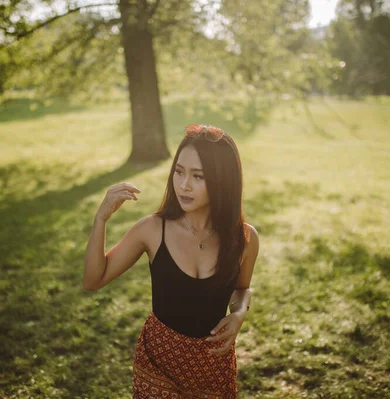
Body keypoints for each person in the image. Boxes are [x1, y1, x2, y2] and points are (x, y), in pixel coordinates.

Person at [83, 123, 260, 398]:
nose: (184, 185)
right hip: (158, 362)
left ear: (223, 180)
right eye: (179, 172)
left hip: (214, 365)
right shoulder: (153, 229)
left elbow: (242, 287)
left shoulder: (245, 239)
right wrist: (101, 219)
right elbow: (94, 279)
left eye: (198, 176)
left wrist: (238, 314)